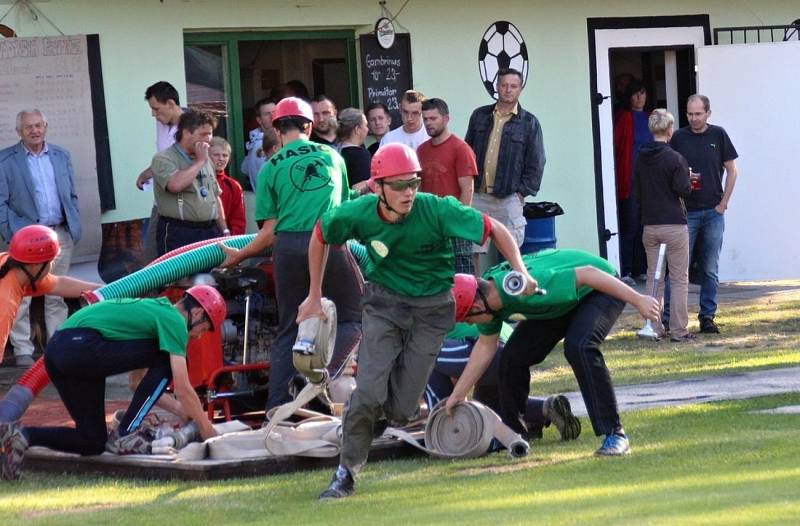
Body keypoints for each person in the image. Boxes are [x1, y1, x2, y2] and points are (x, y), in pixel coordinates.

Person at [297, 142, 535, 499]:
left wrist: (521, 270)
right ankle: (346, 473)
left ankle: (374, 419)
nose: (409, 192)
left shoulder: (437, 209)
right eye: (398, 185)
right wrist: (314, 295)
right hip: (383, 306)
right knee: (368, 392)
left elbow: (495, 228)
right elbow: (320, 236)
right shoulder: (357, 213)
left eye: (414, 183)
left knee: (403, 409)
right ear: (377, 187)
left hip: (433, 310)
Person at [219, 97, 363, 411]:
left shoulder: (271, 167)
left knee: (290, 326)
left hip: (287, 249)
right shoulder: (332, 156)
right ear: (309, 126)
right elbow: (346, 211)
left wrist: (239, 255)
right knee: (354, 316)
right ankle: (315, 379)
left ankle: (278, 403)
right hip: (327, 243)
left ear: (277, 128)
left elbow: (270, 230)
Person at [446, 249, 660, 458]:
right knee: (511, 357)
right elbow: (485, 348)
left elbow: (588, 274)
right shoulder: (489, 298)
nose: (468, 324)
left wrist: (638, 299)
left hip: (600, 287)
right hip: (560, 304)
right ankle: (514, 435)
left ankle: (615, 434)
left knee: (580, 347)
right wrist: (457, 396)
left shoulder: (527, 288)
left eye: (467, 318)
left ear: (476, 305)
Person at [0, 285, 226, 481]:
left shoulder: (154, 315)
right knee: (169, 360)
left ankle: (22, 435)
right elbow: (184, 388)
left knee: (93, 442)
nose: (197, 336)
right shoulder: (173, 319)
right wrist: (207, 429)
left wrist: (180, 410)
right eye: (203, 329)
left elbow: (137, 384)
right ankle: (127, 432)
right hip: (80, 347)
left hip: (59, 352)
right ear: (197, 313)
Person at [0, 109, 82, 368]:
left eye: (38, 125)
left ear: (45, 127)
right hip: (24, 239)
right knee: (20, 296)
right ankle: (23, 349)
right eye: (28, 127)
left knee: (55, 294)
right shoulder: (5, 160)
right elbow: (1, 203)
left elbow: (70, 195)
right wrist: (12, 234)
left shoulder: (61, 155)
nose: (34, 130)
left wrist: (73, 226)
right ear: (19, 132)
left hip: (59, 234)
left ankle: (56, 347)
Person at [426, 320, 580, 442]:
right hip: (511, 353)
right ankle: (546, 408)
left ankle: (443, 428)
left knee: (424, 360)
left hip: (487, 349)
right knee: (488, 405)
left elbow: (451, 378)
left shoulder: (421, 331)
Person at [665, 94, 739, 334]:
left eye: (698, 114)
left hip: (713, 212)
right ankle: (669, 318)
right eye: (690, 114)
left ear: (708, 113)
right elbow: (667, 171)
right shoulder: (678, 138)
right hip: (686, 213)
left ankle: (707, 317)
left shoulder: (718, 135)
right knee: (678, 268)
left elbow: (732, 170)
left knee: (709, 268)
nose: (694, 118)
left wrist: (724, 203)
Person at [465, 68, 546, 273]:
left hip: (509, 197)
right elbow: (467, 152)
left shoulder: (529, 122)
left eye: (513, 86)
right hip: (478, 195)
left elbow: (536, 162)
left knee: (511, 251)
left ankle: (510, 295)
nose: (508, 90)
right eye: (504, 85)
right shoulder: (479, 116)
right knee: (470, 249)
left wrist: (521, 192)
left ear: (521, 89)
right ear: (497, 86)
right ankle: (475, 296)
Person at [633, 109, 693, 341]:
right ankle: (679, 330)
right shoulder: (675, 158)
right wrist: (687, 177)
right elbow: (683, 189)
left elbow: (637, 193)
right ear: (670, 131)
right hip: (674, 224)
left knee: (653, 278)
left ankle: (654, 326)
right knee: (678, 278)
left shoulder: (641, 157)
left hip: (650, 225)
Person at [0, 225, 100, 363]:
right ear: (37, 265)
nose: (52, 266)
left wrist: (108, 289)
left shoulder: (10, 264)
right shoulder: (5, 302)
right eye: (51, 261)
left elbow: (60, 284)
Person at [151, 110, 229, 256]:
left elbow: (215, 197)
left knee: (208, 277)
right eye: (202, 134)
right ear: (186, 132)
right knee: (180, 278)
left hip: (210, 232)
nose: (208, 139)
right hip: (179, 232)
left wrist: (224, 230)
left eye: (210, 134)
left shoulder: (206, 158)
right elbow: (175, 185)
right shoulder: (164, 158)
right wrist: (200, 162)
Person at [417, 97, 478, 274]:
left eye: (433, 118)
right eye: (425, 118)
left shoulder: (461, 148)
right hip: (430, 223)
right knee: (433, 272)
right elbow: (419, 187)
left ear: (446, 119)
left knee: (462, 276)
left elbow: (468, 189)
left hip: (455, 223)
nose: (428, 123)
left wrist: (459, 220)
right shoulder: (421, 150)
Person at [137, 82, 185, 263]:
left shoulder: (193, 126)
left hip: (184, 206)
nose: (153, 114)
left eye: (156, 109)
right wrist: (150, 171)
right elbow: (166, 157)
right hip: (161, 203)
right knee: (151, 260)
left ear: (171, 104)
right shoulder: (162, 124)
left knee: (179, 263)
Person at [614, 79, 652, 285]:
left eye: (642, 93)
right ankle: (626, 269)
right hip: (630, 181)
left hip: (648, 183)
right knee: (630, 226)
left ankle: (641, 269)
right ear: (629, 97)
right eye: (635, 94)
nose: (639, 98)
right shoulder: (624, 118)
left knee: (645, 227)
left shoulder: (650, 118)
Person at [209, 137, 246, 236]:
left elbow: (238, 219)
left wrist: (232, 241)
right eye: (216, 155)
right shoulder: (196, 179)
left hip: (225, 239)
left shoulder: (233, 186)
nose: (221, 158)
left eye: (225, 155)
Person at [241, 97, 278, 191]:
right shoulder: (259, 145)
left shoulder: (279, 138)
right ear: (259, 120)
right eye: (267, 114)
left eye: (274, 112)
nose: (272, 116)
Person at [336, 108, 372, 188]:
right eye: (365, 125)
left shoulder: (334, 151)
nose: (367, 129)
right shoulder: (361, 155)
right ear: (357, 129)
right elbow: (358, 188)